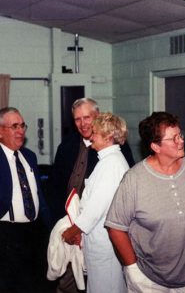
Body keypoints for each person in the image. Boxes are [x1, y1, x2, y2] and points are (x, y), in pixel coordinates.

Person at [105, 111, 185, 292]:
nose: (181, 141)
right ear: (156, 147)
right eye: (173, 138)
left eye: (180, 135)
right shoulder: (134, 179)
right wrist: (133, 269)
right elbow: (116, 227)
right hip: (149, 281)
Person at [52, 97, 135, 293]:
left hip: (101, 238)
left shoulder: (112, 163)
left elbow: (96, 207)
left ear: (107, 136)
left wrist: (72, 231)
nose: (91, 137)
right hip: (91, 235)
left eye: (95, 133)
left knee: (106, 287)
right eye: (77, 119)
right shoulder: (106, 159)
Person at [0, 107, 51, 293]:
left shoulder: (29, 156)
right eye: (14, 126)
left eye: (22, 125)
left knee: (36, 284)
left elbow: (38, 193)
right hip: (6, 235)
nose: (21, 131)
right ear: (0, 131)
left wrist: (47, 225)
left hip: (34, 232)